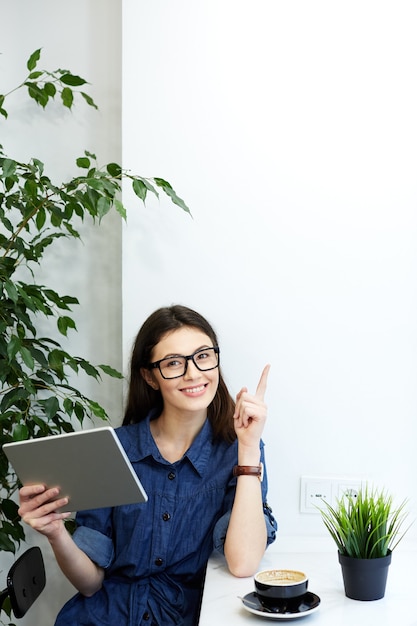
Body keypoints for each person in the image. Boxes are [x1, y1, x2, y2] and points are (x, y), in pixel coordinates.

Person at [18, 305, 277, 625]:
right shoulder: (111, 449)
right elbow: (90, 584)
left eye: (203, 356)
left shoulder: (237, 450)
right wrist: (56, 532)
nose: (194, 373)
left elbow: (243, 563)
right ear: (150, 377)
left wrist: (249, 448)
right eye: (173, 363)